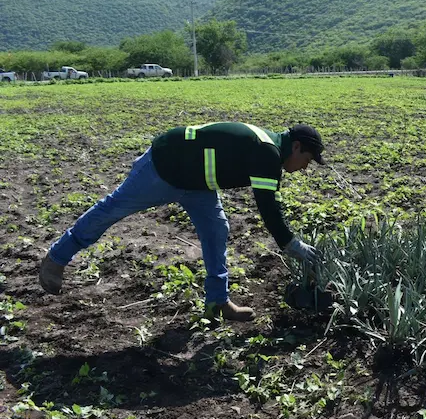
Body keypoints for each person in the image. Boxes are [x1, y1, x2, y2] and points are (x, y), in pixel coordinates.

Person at [39, 122, 325, 321]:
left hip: (197, 184)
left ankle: (217, 302)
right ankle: (57, 257)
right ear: (296, 147)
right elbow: (267, 207)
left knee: (216, 229)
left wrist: (290, 243)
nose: (305, 168)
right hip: (164, 168)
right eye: (308, 160)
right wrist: (292, 245)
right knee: (111, 210)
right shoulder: (267, 152)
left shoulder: (269, 148)